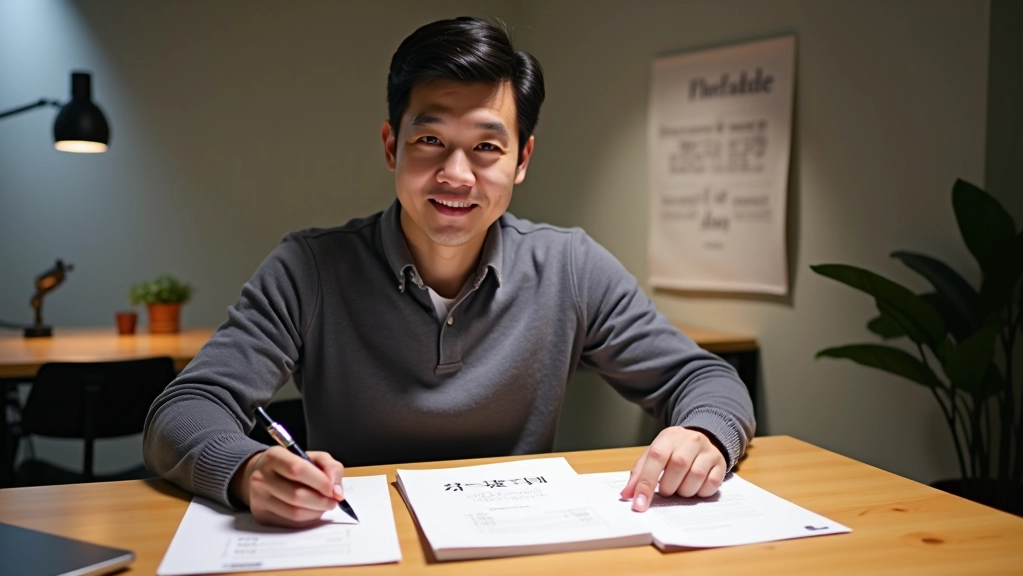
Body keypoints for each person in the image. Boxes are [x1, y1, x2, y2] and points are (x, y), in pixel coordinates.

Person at [143, 16, 755, 528]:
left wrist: (705, 433)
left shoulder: (569, 266)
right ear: (392, 146)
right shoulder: (310, 269)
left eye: (487, 146)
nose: (456, 175)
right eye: (430, 139)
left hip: (519, 543)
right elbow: (183, 409)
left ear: (522, 160)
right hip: (358, 542)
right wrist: (247, 470)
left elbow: (704, 378)